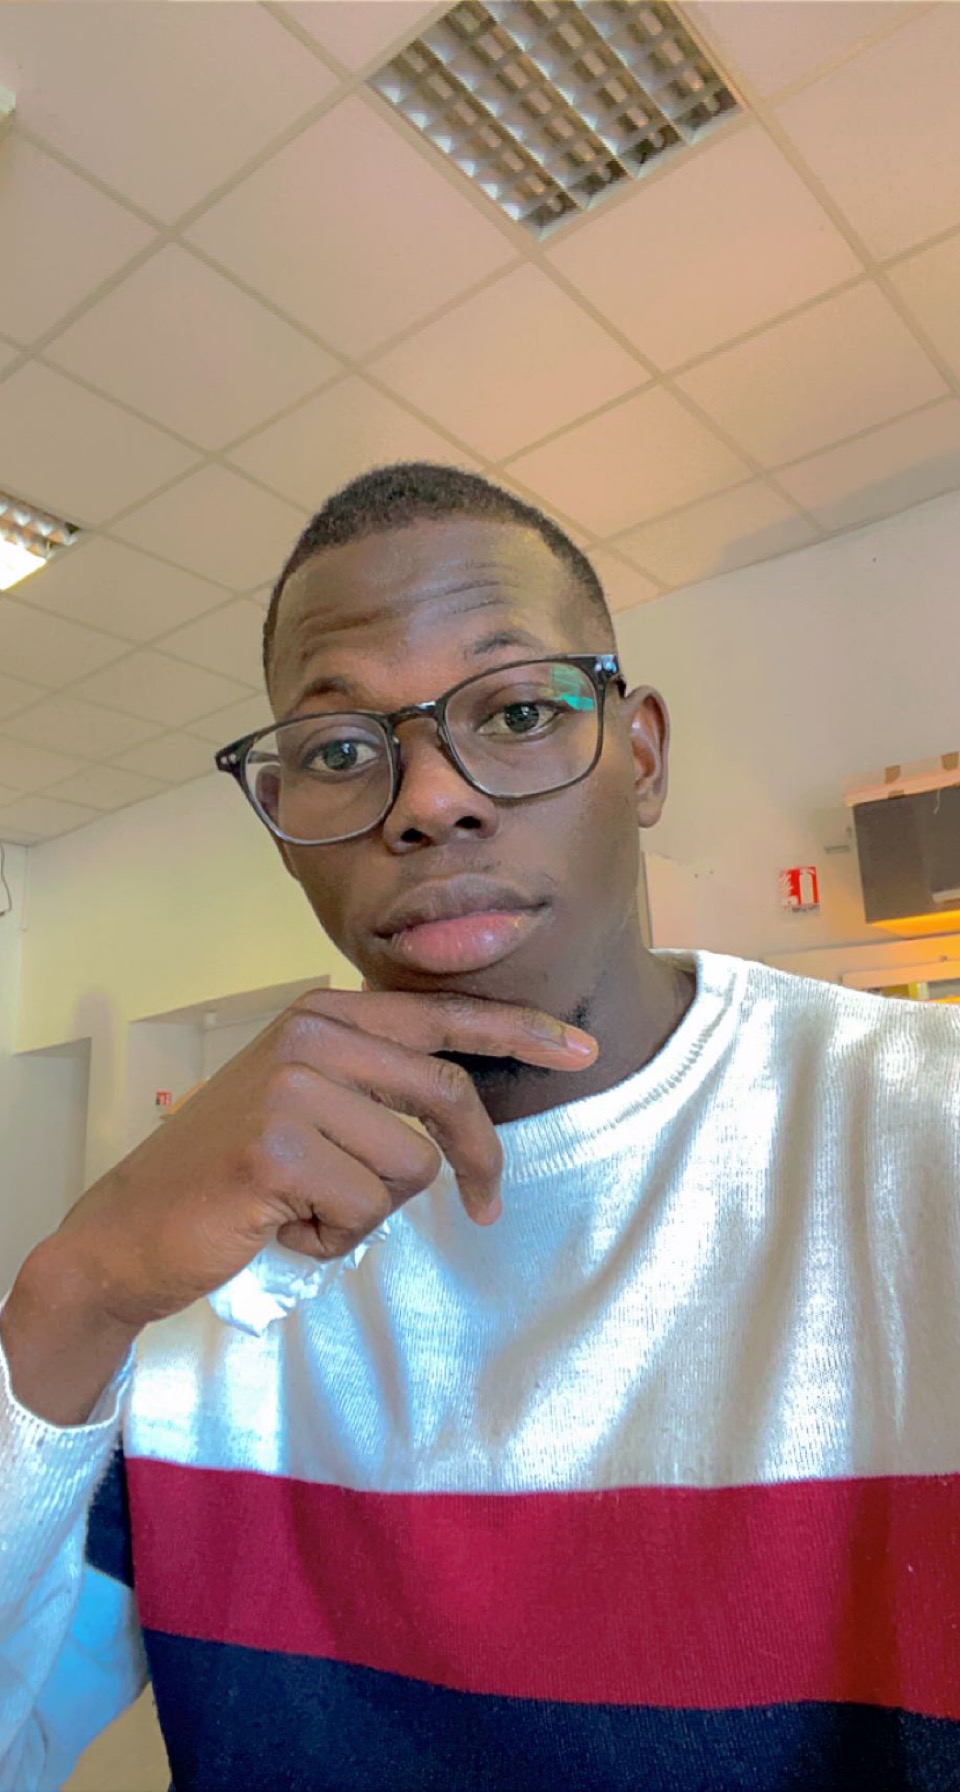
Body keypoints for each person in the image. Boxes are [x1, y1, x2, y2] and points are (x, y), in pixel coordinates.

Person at [0, 462, 957, 1792]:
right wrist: (74, 1288)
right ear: (285, 830)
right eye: (341, 751)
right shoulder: (195, 1265)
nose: (428, 800)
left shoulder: (925, 1133)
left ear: (640, 755)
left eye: (515, 710)